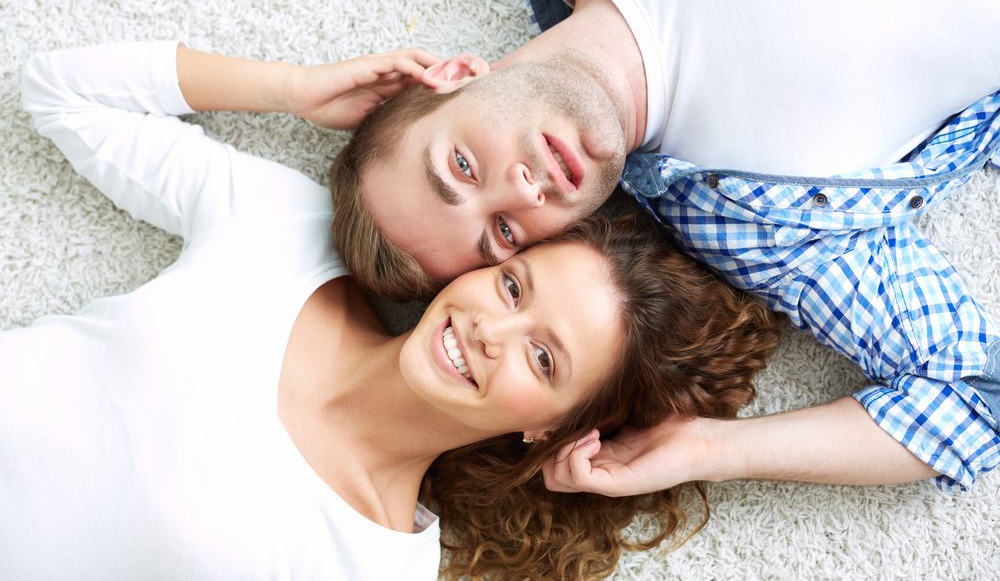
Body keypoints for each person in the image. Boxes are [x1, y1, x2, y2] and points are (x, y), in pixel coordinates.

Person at [2, 40, 780, 580]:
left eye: (544, 359)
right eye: (513, 287)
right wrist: (290, 90)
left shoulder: (370, 561)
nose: (489, 330)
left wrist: (712, 451)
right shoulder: (285, 230)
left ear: (551, 427)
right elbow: (59, 90)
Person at [328, 0, 1000, 495]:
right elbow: (973, 399)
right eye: (505, 231)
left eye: (462, 166)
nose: (522, 191)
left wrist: (284, 90)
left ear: (453, 78)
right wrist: (713, 449)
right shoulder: (762, 228)